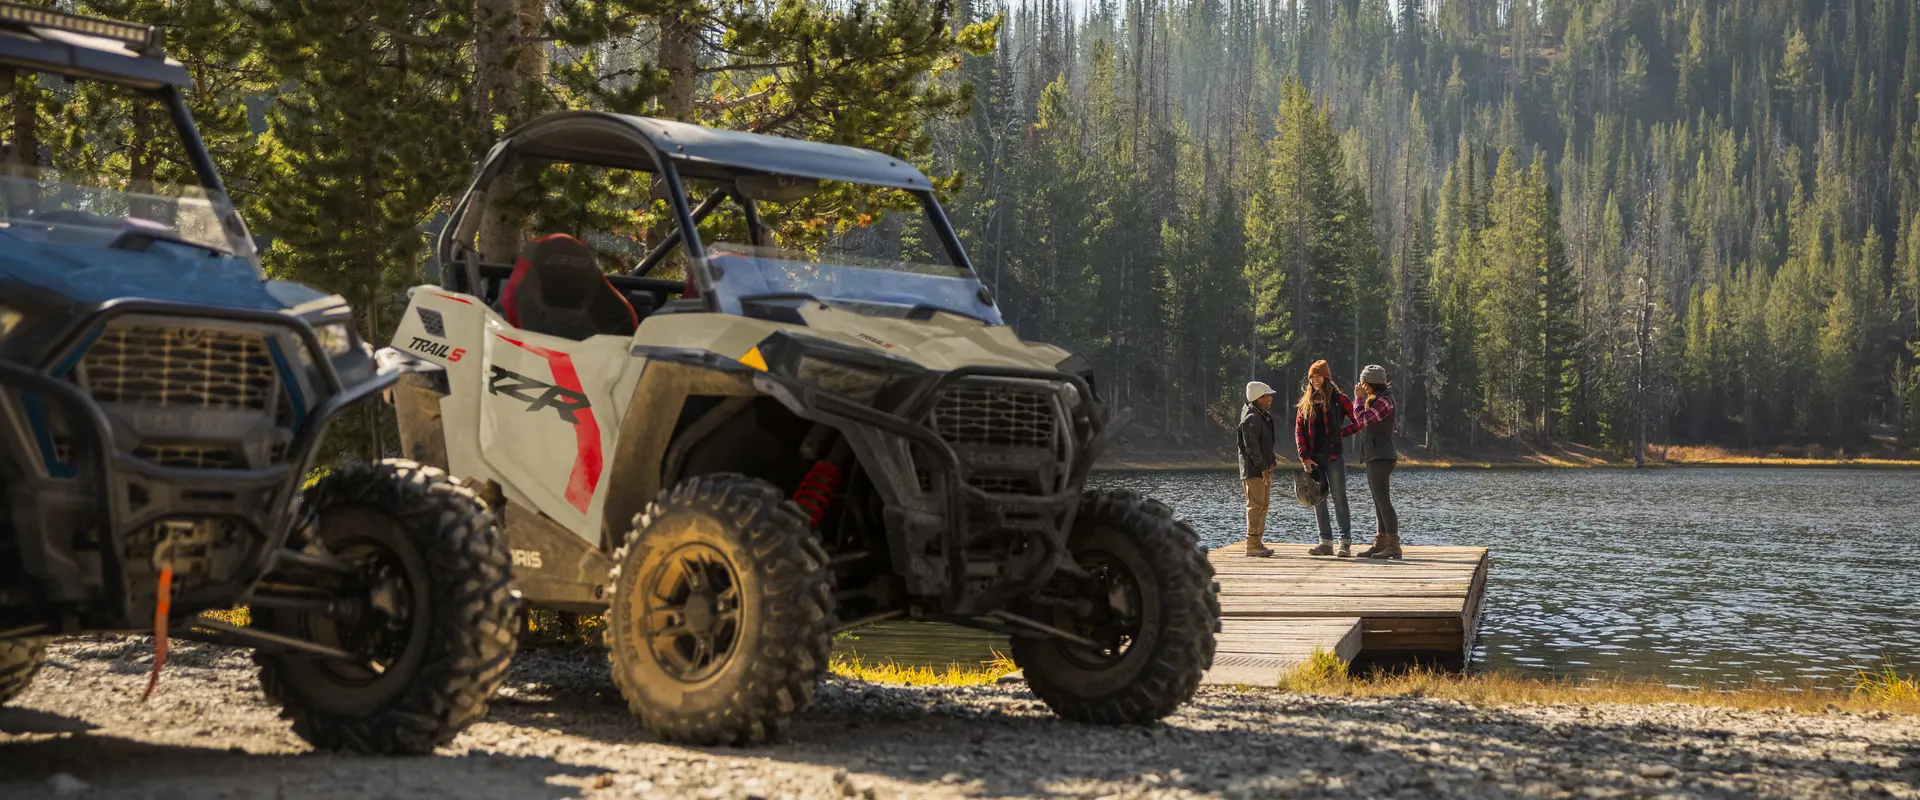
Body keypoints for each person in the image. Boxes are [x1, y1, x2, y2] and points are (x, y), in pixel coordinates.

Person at [1294, 360, 1355, 557]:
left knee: (1339, 498)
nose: (1315, 380)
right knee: (1318, 498)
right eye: (1312, 377)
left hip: (1334, 456)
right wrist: (1304, 457)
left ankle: (1345, 543)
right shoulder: (1305, 402)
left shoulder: (1340, 399)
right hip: (1314, 459)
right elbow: (1299, 431)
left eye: (1319, 376)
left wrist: (1341, 433)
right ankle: (1325, 543)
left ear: (1326, 377)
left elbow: (1358, 420)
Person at [1342, 364, 1400, 559]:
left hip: (1381, 457)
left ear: (1372, 383)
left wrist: (1358, 399)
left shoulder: (1384, 401)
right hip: (1375, 455)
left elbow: (1361, 420)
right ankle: (1380, 543)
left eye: (1364, 383)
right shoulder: (1378, 400)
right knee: (1378, 502)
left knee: (1383, 502)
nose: (1362, 386)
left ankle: (1393, 545)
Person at [1238, 381, 1279, 557]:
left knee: (1263, 505)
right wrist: (1262, 467)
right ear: (1258, 398)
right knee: (1255, 505)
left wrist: (1271, 461)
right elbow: (1251, 446)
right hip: (1254, 470)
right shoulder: (1251, 418)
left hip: (1263, 467)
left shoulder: (1262, 416)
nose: (1270, 399)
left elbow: (1265, 444)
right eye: (1267, 396)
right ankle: (1251, 544)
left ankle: (1258, 542)